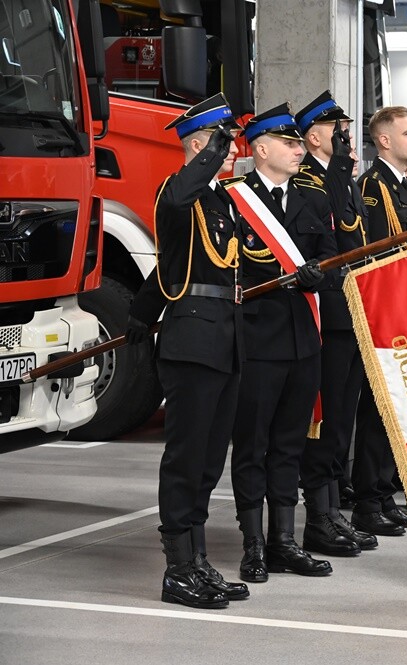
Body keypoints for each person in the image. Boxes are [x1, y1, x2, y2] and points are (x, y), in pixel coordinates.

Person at [126, 93, 248, 609]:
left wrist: (140, 309)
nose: (233, 152)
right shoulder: (176, 194)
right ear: (200, 146)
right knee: (186, 458)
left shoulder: (220, 200)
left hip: (226, 336)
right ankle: (177, 570)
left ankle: (197, 560)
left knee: (208, 461)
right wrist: (208, 154)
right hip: (193, 341)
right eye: (222, 144)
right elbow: (176, 210)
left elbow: (173, 266)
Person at [225, 104, 339, 582]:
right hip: (255, 339)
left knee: (290, 446)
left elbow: (333, 260)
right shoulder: (234, 200)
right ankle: (252, 543)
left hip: (302, 340)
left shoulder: (313, 200)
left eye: (299, 143)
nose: (299, 150)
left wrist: (318, 277)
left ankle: (283, 542)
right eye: (291, 144)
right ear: (263, 149)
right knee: (252, 444)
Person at [293, 91, 379, 555]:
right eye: (338, 130)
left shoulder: (340, 179)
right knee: (323, 422)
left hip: (351, 313)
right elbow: (333, 238)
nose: (346, 137)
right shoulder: (311, 180)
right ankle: (318, 517)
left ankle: (330, 512)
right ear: (314, 136)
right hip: (325, 316)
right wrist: (341, 171)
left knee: (341, 420)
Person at [354, 106, 407, 535]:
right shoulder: (372, 187)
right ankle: (366, 501)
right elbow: (378, 254)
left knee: (393, 410)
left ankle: (382, 493)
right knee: (375, 407)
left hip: (405, 307)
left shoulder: (403, 186)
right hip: (384, 310)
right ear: (384, 140)